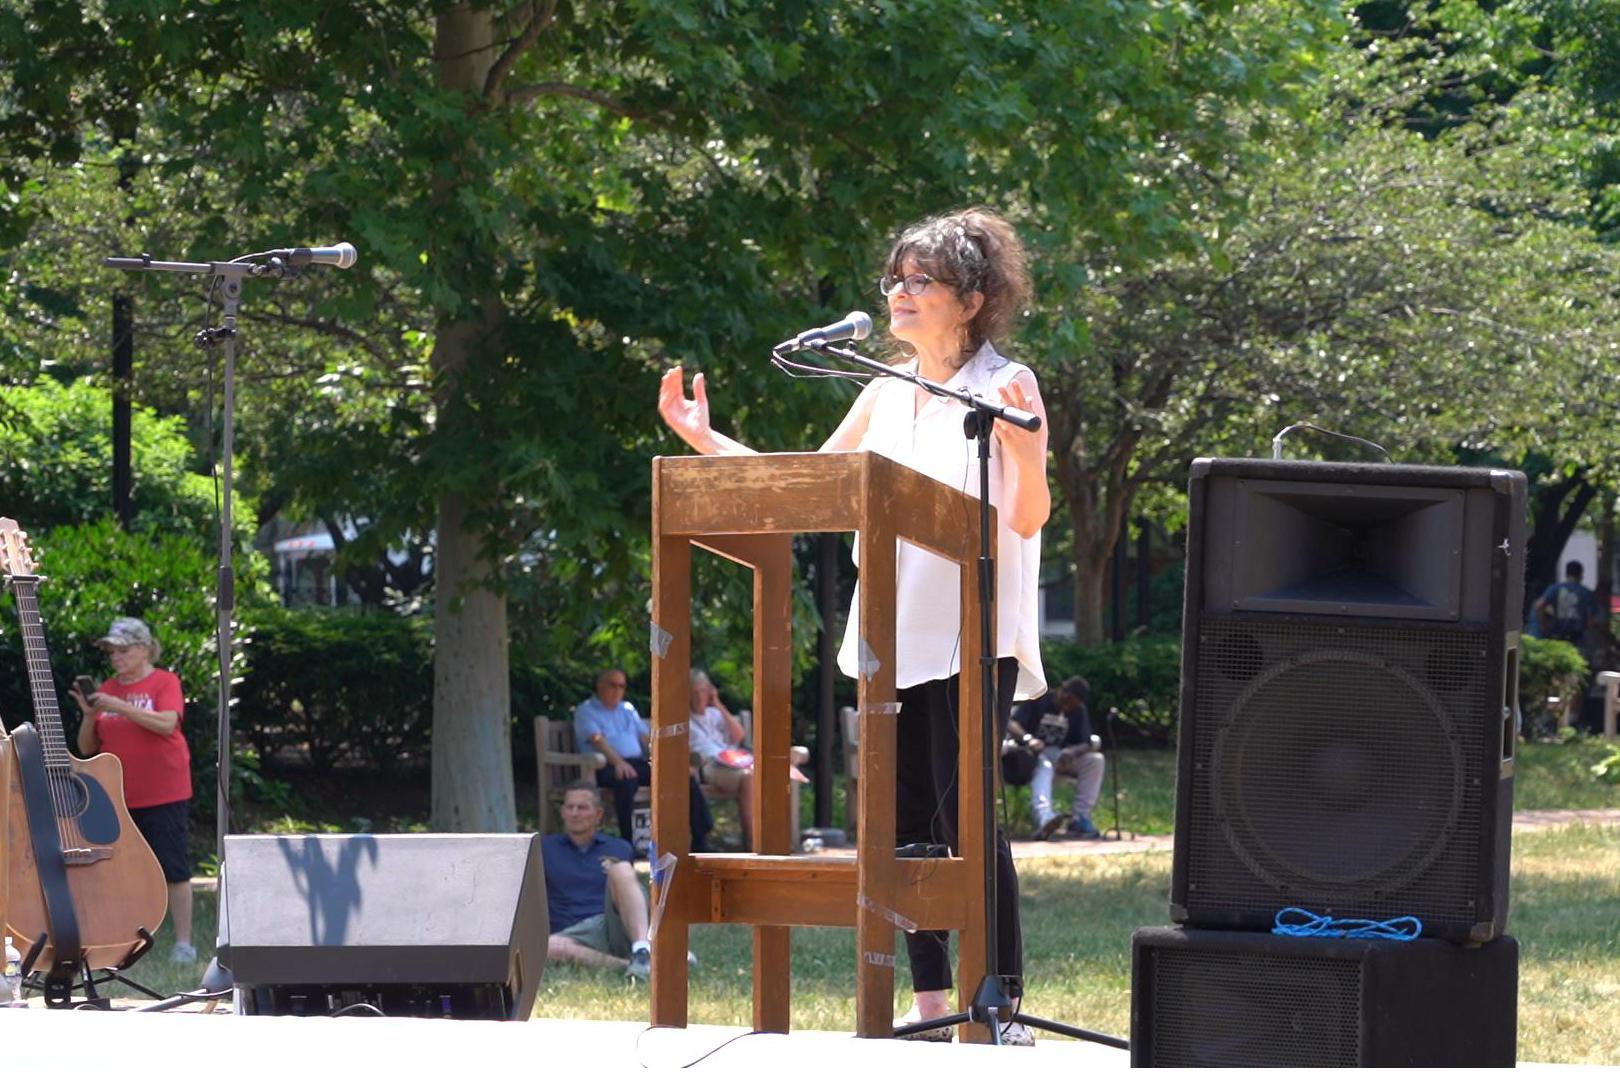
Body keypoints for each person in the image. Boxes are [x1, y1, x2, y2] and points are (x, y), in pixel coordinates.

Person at [658, 207, 1047, 1045]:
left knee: (964, 823)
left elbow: (1025, 519)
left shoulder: (1004, 386)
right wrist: (704, 440)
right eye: (895, 280)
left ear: (972, 298)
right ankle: (932, 1005)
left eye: (921, 282)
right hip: (891, 639)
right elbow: (814, 485)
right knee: (900, 827)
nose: (900, 294)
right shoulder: (881, 390)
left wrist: (1029, 454)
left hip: (972, 636)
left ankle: (999, 1005)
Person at [69, 616, 196, 965]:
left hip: (164, 791)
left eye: (123, 650)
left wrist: (120, 706)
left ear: (144, 649)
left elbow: (167, 722)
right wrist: (90, 716)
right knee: (120, 868)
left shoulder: (164, 681)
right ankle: (125, 938)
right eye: (112, 652)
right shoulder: (107, 688)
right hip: (118, 794)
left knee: (173, 865)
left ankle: (184, 943)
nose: (116, 658)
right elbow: (86, 749)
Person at [572, 668, 713, 854]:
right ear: (600, 686)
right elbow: (596, 740)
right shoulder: (586, 710)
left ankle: (700, 837)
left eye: (621, 686)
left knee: (680, 775)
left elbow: (647, 739)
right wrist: (618, 762)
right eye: (612, 685)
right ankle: (627, 843)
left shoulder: (627, 709)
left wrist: (668, 762)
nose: (617, 690)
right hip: (605, 765)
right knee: (626, 780)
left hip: (636, 763)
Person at [542, 781, 662, 979]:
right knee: (547, 948)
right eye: (569, 807)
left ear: (598, 815)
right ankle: (633, 966)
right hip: (570, 932)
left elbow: (626, 895)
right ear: (562, 812)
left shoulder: (618, 847)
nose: (574, 813)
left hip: (609, 924)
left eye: (582, 808)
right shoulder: (544, 848)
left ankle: (642, 948)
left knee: (622, 869)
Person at [1008, 675, 1105, 841]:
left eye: (1072, 705)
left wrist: (1072, 752)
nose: (1067, 706)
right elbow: (1011, 723)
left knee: (1095, 760)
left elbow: (1086, 741)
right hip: (1031, 756)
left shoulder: (1078, 710)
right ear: (1061, 689)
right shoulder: (1039, 699)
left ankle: (1080, 817)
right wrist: (1029, 739)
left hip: (1061, 756)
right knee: (1044, 765)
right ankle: (1045, 818)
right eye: (1066, 700)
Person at [688, 670, 755, 847]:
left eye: (702, 691)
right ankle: (753, 840)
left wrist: (717, 703)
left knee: (773, 775)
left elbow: (739, 735)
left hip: (734, 761)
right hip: (708, 765)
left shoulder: (715, 714)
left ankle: (777, 836)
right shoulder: (683, 718)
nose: (698, 697)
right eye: (693, 692)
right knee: (750, 778)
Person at [1536, 560, 1602, 650]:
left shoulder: (1555, 589)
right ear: (1581, 575)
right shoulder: (1587, 593)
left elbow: (1539, 605)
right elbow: (1591, 621)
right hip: (1578, 637)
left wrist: (1543, 625)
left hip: (1557, 635)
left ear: (1566, 573)